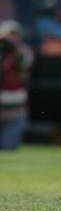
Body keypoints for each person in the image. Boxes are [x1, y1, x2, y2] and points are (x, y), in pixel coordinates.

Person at [0, 20, 33, 150]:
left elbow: (25, 63)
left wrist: (14, 48)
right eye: (8, 35)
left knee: (8, 148)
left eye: (15, 35)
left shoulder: (24, 52)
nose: (11, 38)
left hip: (15, 111)